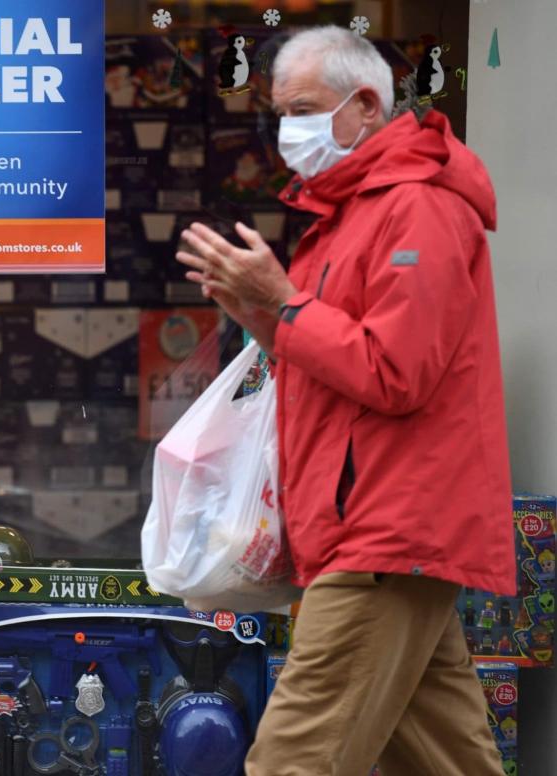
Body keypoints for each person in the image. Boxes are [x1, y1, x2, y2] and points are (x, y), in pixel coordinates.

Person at [175, 26, 513, 775]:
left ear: (365, 105)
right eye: (280, 112)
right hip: (374, 534)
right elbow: (330, 355)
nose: (286, 130)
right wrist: (260, 309)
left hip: (384, 533)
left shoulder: (416, 208)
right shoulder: (350, 214)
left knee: (294, 760)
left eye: (301, 109)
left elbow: (397, 371)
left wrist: (282, 307)